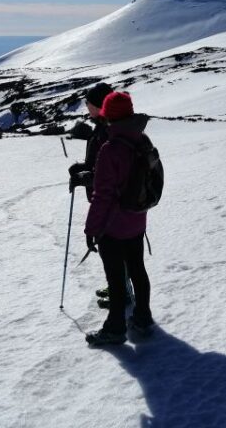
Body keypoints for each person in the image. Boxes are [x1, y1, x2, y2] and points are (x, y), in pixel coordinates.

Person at [84, 91, 154, 346]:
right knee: (138, 270)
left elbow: (102, 196)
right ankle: (143, 319)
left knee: (115, 280)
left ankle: (115, 329)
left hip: (113, 227)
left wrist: (91, 229)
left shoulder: (110, 149)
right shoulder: (142, 140)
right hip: (137, 220)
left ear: (109, 115)